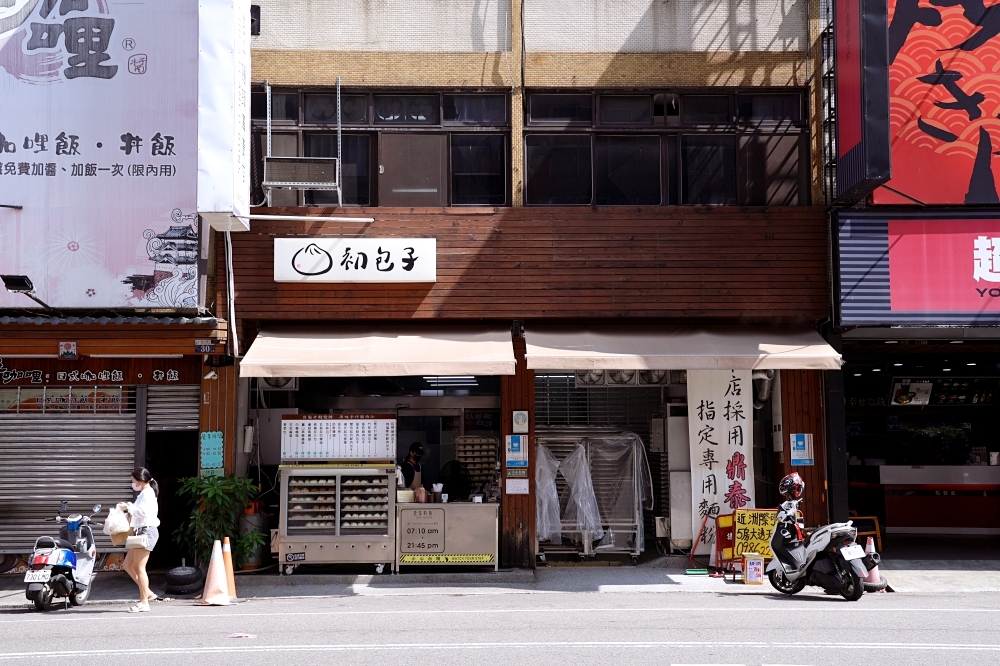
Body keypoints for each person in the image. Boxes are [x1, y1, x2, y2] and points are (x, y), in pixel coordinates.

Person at [119, 467, 160, 613]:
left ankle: (144, 602)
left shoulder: (147, 493)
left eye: (133, 481)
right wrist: (129, 507)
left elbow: (143, 512)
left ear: (141, 481)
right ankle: (147, 593)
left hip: (146, 532)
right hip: (140, 532)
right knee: (128, 565)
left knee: (139, 568)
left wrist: (127, 508)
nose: (133, 484)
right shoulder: (144, 493)